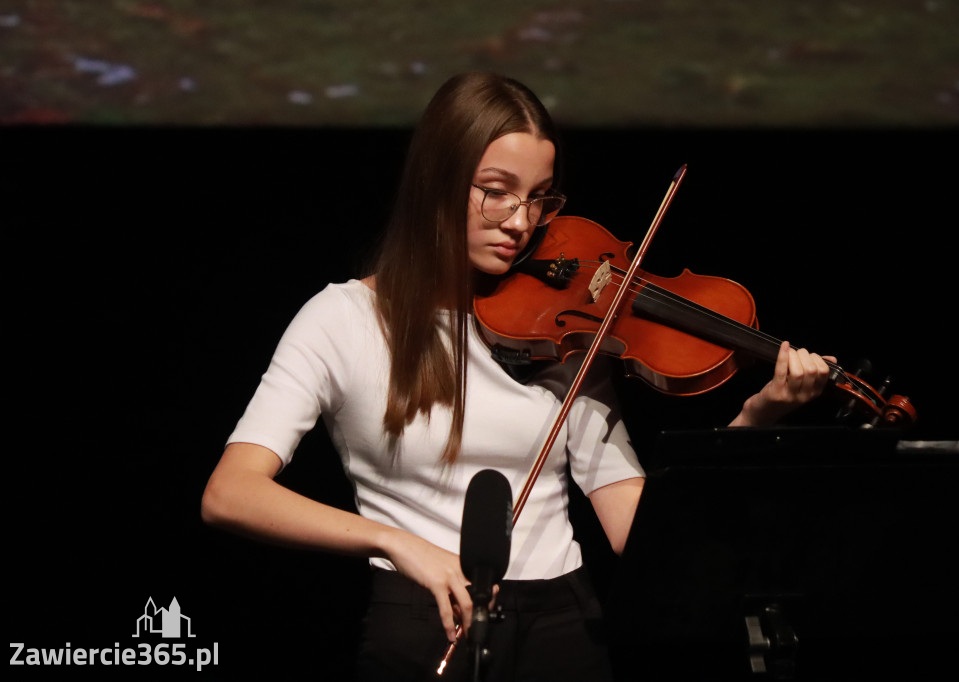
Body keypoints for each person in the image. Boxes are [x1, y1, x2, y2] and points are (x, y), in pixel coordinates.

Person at [200, 71, 832, 682]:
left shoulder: (565, 332)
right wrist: (398, 543)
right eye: (496, 190)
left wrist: (755, 421)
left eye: (538, 196)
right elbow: (231, 494)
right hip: (423, 616)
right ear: (438, 180)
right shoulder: (343, 318)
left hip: (565, 623)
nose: (521, 221)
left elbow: (637, 532)